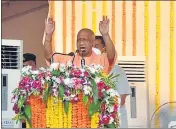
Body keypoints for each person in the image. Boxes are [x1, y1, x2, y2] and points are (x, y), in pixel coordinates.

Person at [43, 16, 117, 74]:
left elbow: (111, 56)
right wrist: (48, 35)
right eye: (79, 40)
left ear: (93, 43)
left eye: (85, 40)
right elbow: (50, 57)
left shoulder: (101, 59)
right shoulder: (69, 59)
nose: (81, 43)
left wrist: (105, 35)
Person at [94, 36, 131, 128]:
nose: (93, 49)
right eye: (91, 46)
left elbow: (121, 100)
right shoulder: (91, 71)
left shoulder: (117, 71)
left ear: (104, 49)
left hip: (115, 120)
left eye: (96, 46)